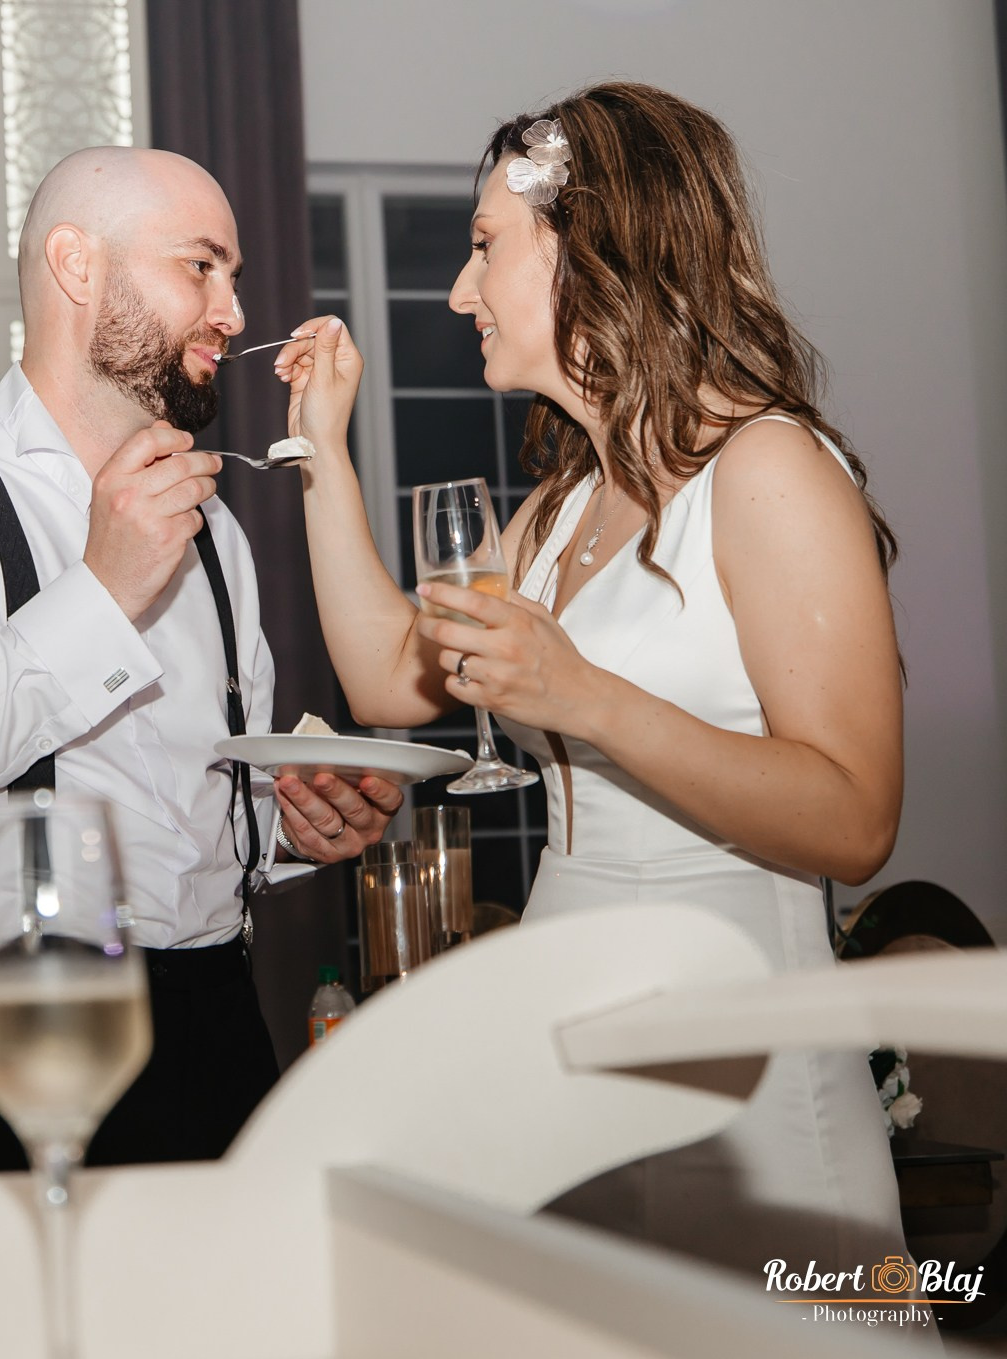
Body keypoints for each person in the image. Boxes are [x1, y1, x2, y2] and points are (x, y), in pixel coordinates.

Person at [272, 83, 916, 1283]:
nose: (458, 292)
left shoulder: (767, 467)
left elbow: (855, 816)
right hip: (562, 1056)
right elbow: (385, 677)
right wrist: (320, 447)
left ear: (596, 246)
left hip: (743, 1060)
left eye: (482, 249)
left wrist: (581, 697)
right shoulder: (561, 505)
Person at [0, 146, 402, 1177]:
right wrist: (100, 595)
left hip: (220, 1031)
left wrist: (291, 826)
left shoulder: (219, 537)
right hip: (3, 1036)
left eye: (234, 276)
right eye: (200, 267)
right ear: (77, 267)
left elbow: (187, 824)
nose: (234, 311)